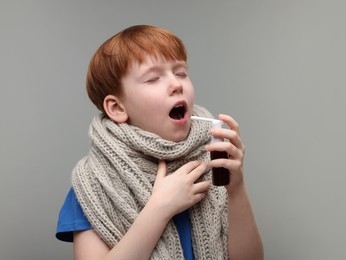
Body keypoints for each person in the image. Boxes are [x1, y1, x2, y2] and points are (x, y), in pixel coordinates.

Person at [56, 24, 263, 260]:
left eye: (181, 73)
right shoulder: (95, 184)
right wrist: (159, 209)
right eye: (153, 79)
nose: (177, 84)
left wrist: (236, 189)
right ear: (117, 107)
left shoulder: (213, 163)